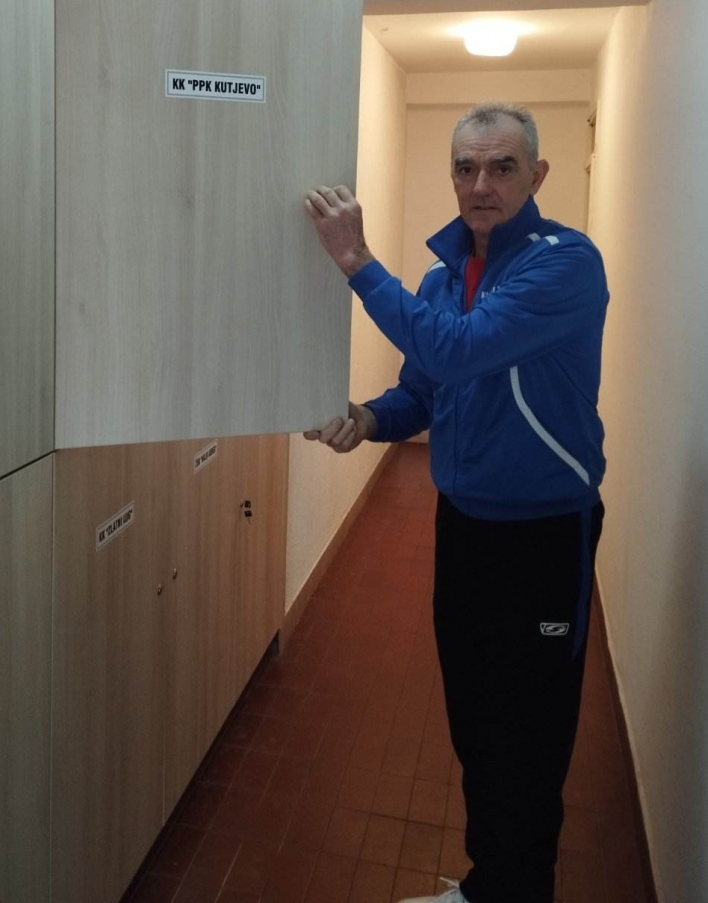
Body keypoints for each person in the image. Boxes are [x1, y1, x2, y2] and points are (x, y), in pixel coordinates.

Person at [303, 102, 608, 903]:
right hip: (465, 526)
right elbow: (426, 389)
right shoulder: (443, 279)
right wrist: (368, 419)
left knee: (529, 734)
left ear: (537, 175)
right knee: (476, 719)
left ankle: (516, 890)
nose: (481, 185)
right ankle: (490, 885)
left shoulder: (565, 264)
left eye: (502, 167)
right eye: (466, 168)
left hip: (544, 537)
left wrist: (357, 261)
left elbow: (459, 347)